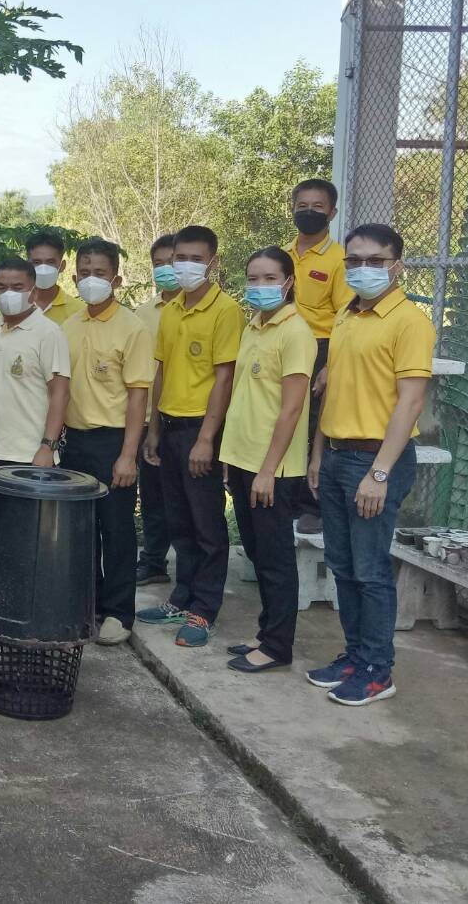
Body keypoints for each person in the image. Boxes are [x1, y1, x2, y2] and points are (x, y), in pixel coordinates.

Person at [306, 224, 434, 706]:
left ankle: (379, 669)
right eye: (354, 260)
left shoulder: (409, 321)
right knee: (342, 564)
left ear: (397, 265)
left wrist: (379, 473)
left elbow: (410, 403)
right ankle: (356, 656)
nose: (362, 269)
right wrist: (318, 453)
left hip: (377, 459)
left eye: (374, 261)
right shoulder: (345, 314)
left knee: (371, 569)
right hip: (338, 454)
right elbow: (332, 389)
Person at [137, 224, 242, 648]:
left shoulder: (225, 311)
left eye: (196, 259)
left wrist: (206, 439)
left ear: (213, 263)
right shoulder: (173, 309)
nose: (186, 266)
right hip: (169, 427)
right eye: (181, 257)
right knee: (178, 520)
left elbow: (224, 378)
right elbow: (161, 370)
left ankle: (204, 609)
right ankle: (181, 597)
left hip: (202, 430)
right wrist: (154, 429)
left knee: (207, 526)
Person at [220, 247, 316, 674]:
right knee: (258, 553)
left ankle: (278, 646)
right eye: (253, 278)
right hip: (241, 459)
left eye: (269, 278)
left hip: (272, 468)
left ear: (289, 282)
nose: (260, 287)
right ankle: (265, 633)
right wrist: (231, 457)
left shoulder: (296, 332)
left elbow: (292, 409)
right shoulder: (254, 327)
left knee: (275, 558)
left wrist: (265, 469)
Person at [60, 238, 155, 646]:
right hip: (75, 442)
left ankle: (119, 613)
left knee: (115, 529)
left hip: (114, 441)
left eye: (100, 273)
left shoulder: (132, 328)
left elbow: (138, 395)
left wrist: (128, 455)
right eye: (84, 272)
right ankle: (88, 603)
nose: (91, 279)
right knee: (81, 530)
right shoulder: (69, 326)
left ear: (116, 277)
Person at [286, 180, 352, 536]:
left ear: (332, 212)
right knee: (286, 420)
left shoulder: (339, 259)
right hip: (283, 345)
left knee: (314, 427)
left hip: (320, 347)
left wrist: (330, 364)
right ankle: (288, 499)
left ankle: (313, 506)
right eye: (302, 204)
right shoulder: (283, 254)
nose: (308, 212)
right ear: (292, 207)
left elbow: (346, 315)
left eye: (317, 206)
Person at [0, 258, 69, 477]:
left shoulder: (48, 333)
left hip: (31, 455)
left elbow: (60, 392)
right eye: (1, 287)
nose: (8, 293)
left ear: (33, 293)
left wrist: (48, 446)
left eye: (17, 288)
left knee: (28, 512)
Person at [135, 235, 180, 588]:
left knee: (181, 496)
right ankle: (153, 561)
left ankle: (191, 569)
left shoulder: (202, 310)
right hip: (147, 417)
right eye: (159, 264)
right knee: (151, 495)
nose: (166, 270)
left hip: (184, 417)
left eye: (173, 261)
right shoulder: (142, 314)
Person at [26, 230, 80, 326]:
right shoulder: (17, 306)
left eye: (50, 262)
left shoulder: (79, 311)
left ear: (62, 266)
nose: (43, 268)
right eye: (36, 262)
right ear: (27, 265)